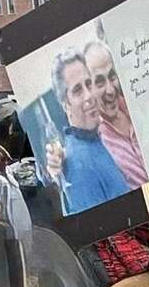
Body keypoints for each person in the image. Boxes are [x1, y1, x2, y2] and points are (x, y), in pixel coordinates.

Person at [46, 49, 129, 214]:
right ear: (65, 104)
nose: (89, 95)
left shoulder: (98, 138)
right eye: (77, 90)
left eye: (89, 84)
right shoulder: (78, 166)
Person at [84, 39, 148, 188]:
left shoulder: (139, 106)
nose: (110, 90)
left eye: (112, 76)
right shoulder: (95, 142)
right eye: (100, 82)